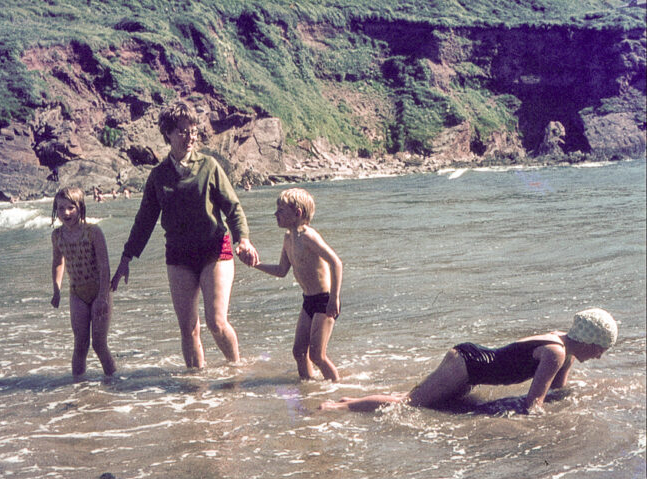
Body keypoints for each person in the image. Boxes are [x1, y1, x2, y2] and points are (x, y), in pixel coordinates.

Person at [110, 101, 259, 369]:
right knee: (189, 330)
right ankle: (196, 395)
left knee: (216, 322)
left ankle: (237, 370)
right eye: (182, 131)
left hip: (216, 249)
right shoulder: (158, 176)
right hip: (178, 255)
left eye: (193, 131)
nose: (190, 137)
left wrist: (243, 239)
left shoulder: (209, 166)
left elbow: (233, 207)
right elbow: (144, 221)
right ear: (167, 133)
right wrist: (126, 257)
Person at [320, 308, 617, 413]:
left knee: (421, 401)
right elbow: (533, 404)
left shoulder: (565, 348)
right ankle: (334, 407)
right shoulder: (556, 353)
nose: (601, 355)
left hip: (470, 361)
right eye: (602, 348)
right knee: (411, 404)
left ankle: (351, 401)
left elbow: (555, 393)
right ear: (589, 340)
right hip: (469, 363)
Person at [253, 188, 343, 381]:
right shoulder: (288, 238)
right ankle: (309, 390)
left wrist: (334, 298)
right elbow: (281, 270)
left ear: (298, 213)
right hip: (308, 301)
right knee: (299, 352)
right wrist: (256, 264)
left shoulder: (308, 236)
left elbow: (336, 262)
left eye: (281, 210)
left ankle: (337, 388)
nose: (275, 214)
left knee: (317, 355)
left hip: (324, 300)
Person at [51, 187, 116, 377]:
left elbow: (105, 266)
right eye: (61, 208)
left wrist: (103, 297)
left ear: (80, 207)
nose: (66, 213)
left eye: (70, 207)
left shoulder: (93, 232)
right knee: (80, 343)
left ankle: (113, 381)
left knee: (98, 344)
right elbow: (57, 263)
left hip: (100, 290)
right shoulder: (57, 236)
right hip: (76, 293)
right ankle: (78, 386)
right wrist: (57, 290)